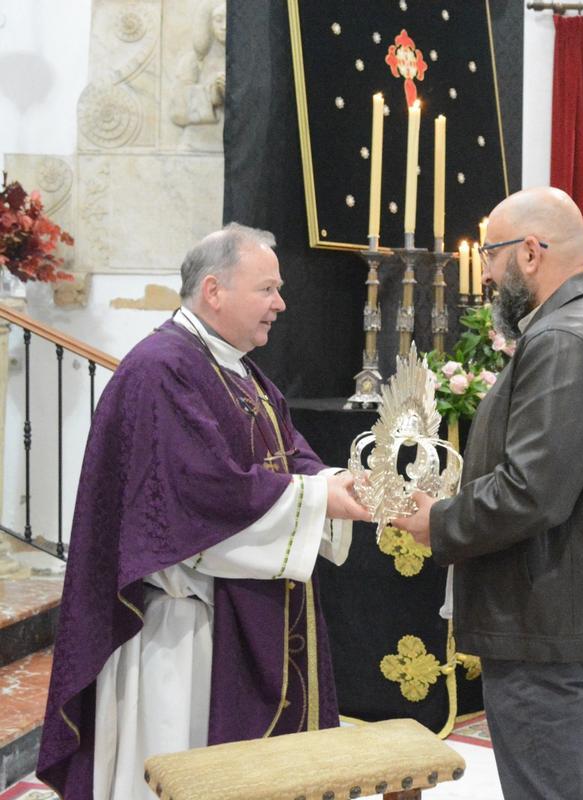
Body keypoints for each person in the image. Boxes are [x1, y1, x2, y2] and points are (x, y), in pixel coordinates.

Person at [37, 223, 371, 799]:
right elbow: (199, 495)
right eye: (267, 289)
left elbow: (287, 454)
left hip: (224, 616)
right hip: (179, 632)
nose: (281, 304)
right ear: (214, 291)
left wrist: (336, 480)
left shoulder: (236, 369)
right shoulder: (162, 368)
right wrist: (320, 498)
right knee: (182, 768)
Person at [403, 187, 583, 800]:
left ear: (530, 251)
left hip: (546, 612)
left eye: (493, 255)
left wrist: (439, 521)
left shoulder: (567, 339)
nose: (488, 274)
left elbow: (532, 492)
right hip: (573, 604)